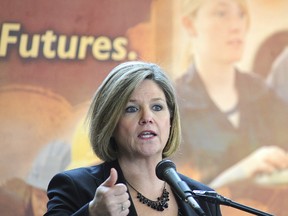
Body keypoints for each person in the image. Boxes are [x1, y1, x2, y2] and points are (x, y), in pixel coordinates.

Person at [44, 61, 222, 216]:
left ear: (171, 121)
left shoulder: (204, 199)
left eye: (157, 107)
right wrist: (92, 214)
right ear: (110, 123)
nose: (147, 117)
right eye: (131, 109)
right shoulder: (75, 187)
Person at [176, 0, 288, 189]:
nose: (236, 26)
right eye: (221, 14)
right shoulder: (171, 105)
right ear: (189, 24)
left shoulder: (265, 95)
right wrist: (241, 172)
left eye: (241, 15)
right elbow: (173, 197)